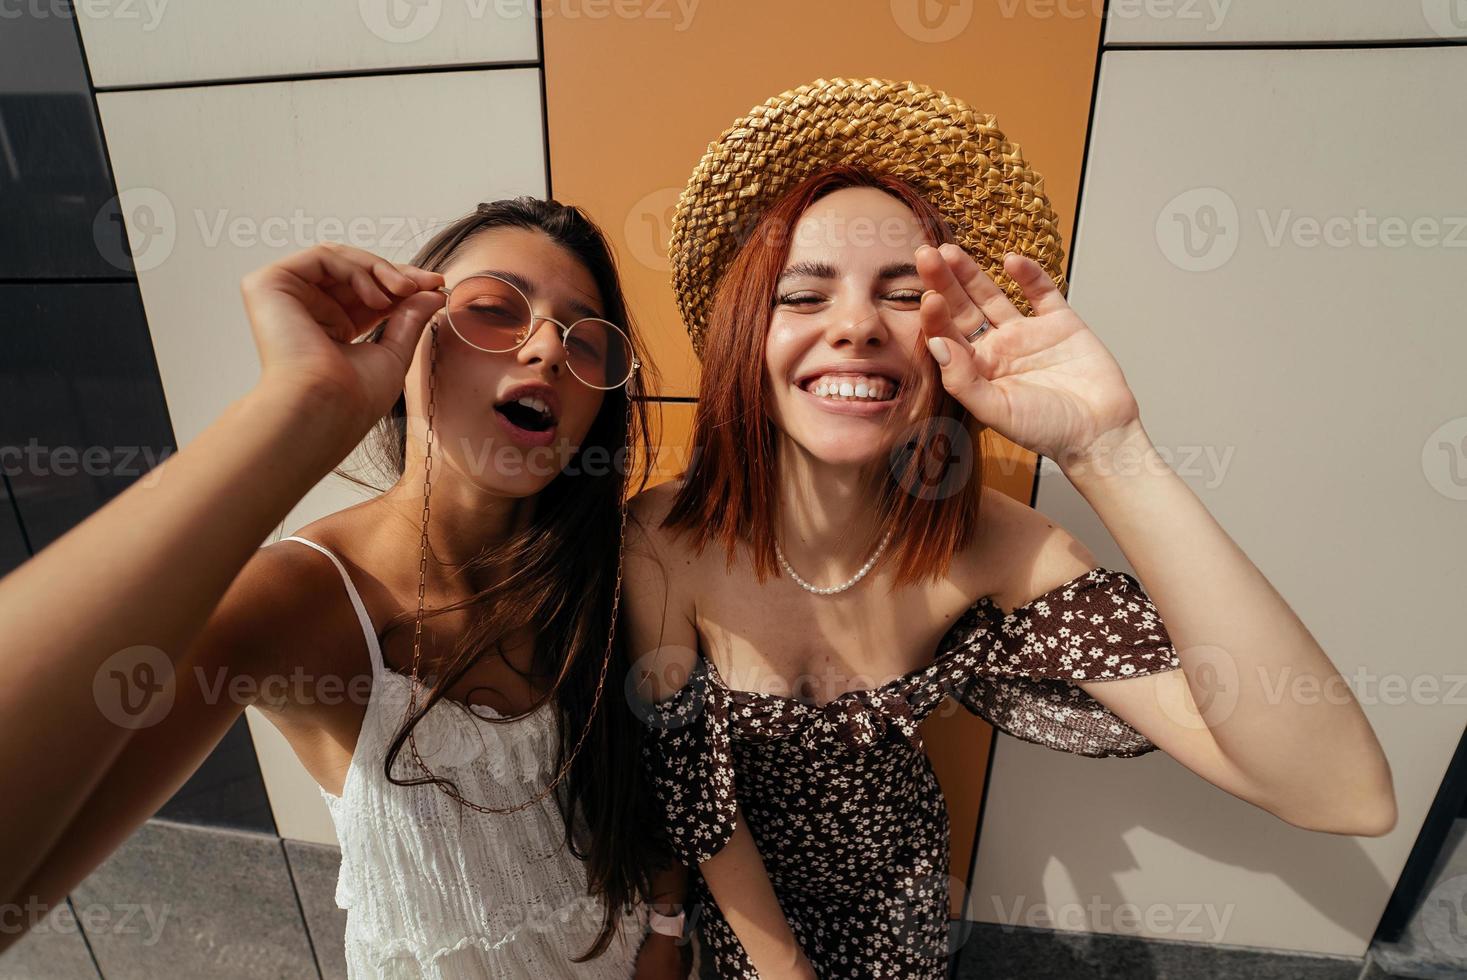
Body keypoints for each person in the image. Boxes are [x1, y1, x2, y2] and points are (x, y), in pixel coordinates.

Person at [622, 78, 1396, 979]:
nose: (857, 326)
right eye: (803, 295)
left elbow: (1341, 792)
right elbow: (691, 799)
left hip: (902, 901)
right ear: (744, 338)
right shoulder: (661, 539)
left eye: (904, 295)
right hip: (742, 904)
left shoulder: (994, 547)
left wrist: (1109, 449)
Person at [0, 199, 690, 978]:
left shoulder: (609, 561)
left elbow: (656, 776)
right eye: (493, 310)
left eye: (585, 340)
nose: (545, 350)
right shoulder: (309, 601)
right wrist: (297, 407)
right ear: (407, 336)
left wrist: (667, 935)